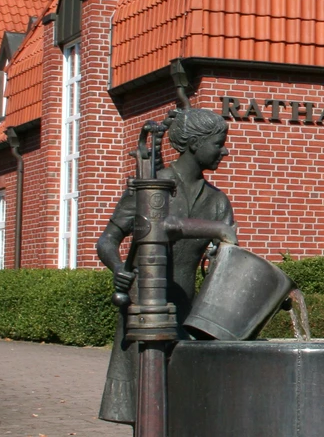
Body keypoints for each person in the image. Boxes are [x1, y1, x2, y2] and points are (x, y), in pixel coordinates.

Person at [96, 108, 237, 425]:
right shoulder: (151, 188)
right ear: (194, 144)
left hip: (188, 313)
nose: (224, 150)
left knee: (181, 409)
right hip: (144, 305)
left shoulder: (218, 202)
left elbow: (226, 259)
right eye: (218, 143)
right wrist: (118, 267)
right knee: (144, 407)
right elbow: (108, 239)